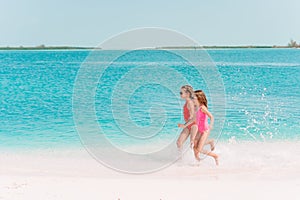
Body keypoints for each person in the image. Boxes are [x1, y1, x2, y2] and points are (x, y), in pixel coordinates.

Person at [193, 90, 219, 165]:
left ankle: (215, 156)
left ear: (199, 98)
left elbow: (211, 116)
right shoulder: (197, 107)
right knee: (194, 147)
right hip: (199, 130)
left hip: (205, 130)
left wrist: (211, 125)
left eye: (194, 98)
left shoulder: (202, 108)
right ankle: (198, 163)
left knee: (199, 149)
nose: (193, 100)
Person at [177, 85, 198, 152]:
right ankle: (181, 159)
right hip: (188, 125)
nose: (180, 94)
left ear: (187, 94)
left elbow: (194, 118)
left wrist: (184, 125)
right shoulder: (187, 102)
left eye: (181, 93)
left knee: (192, 144)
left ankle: (195, 160)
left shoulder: (190, 103)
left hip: (194, 125)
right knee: (179, 142)